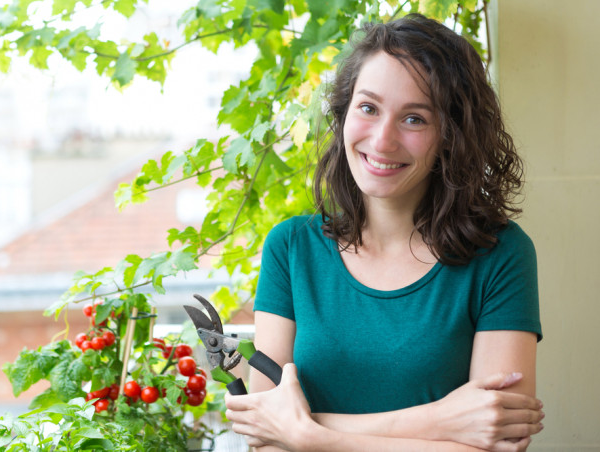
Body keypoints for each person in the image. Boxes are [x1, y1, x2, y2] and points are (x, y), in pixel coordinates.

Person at [224, 13, 544, 452]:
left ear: (451, 136)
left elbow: (499, 442)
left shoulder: (500, 254)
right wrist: (439, 421)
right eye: (368, 108)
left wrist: (310, 436)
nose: (382, 140)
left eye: (414, 119)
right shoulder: (292, 249)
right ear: (343, 113)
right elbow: (265, 435)